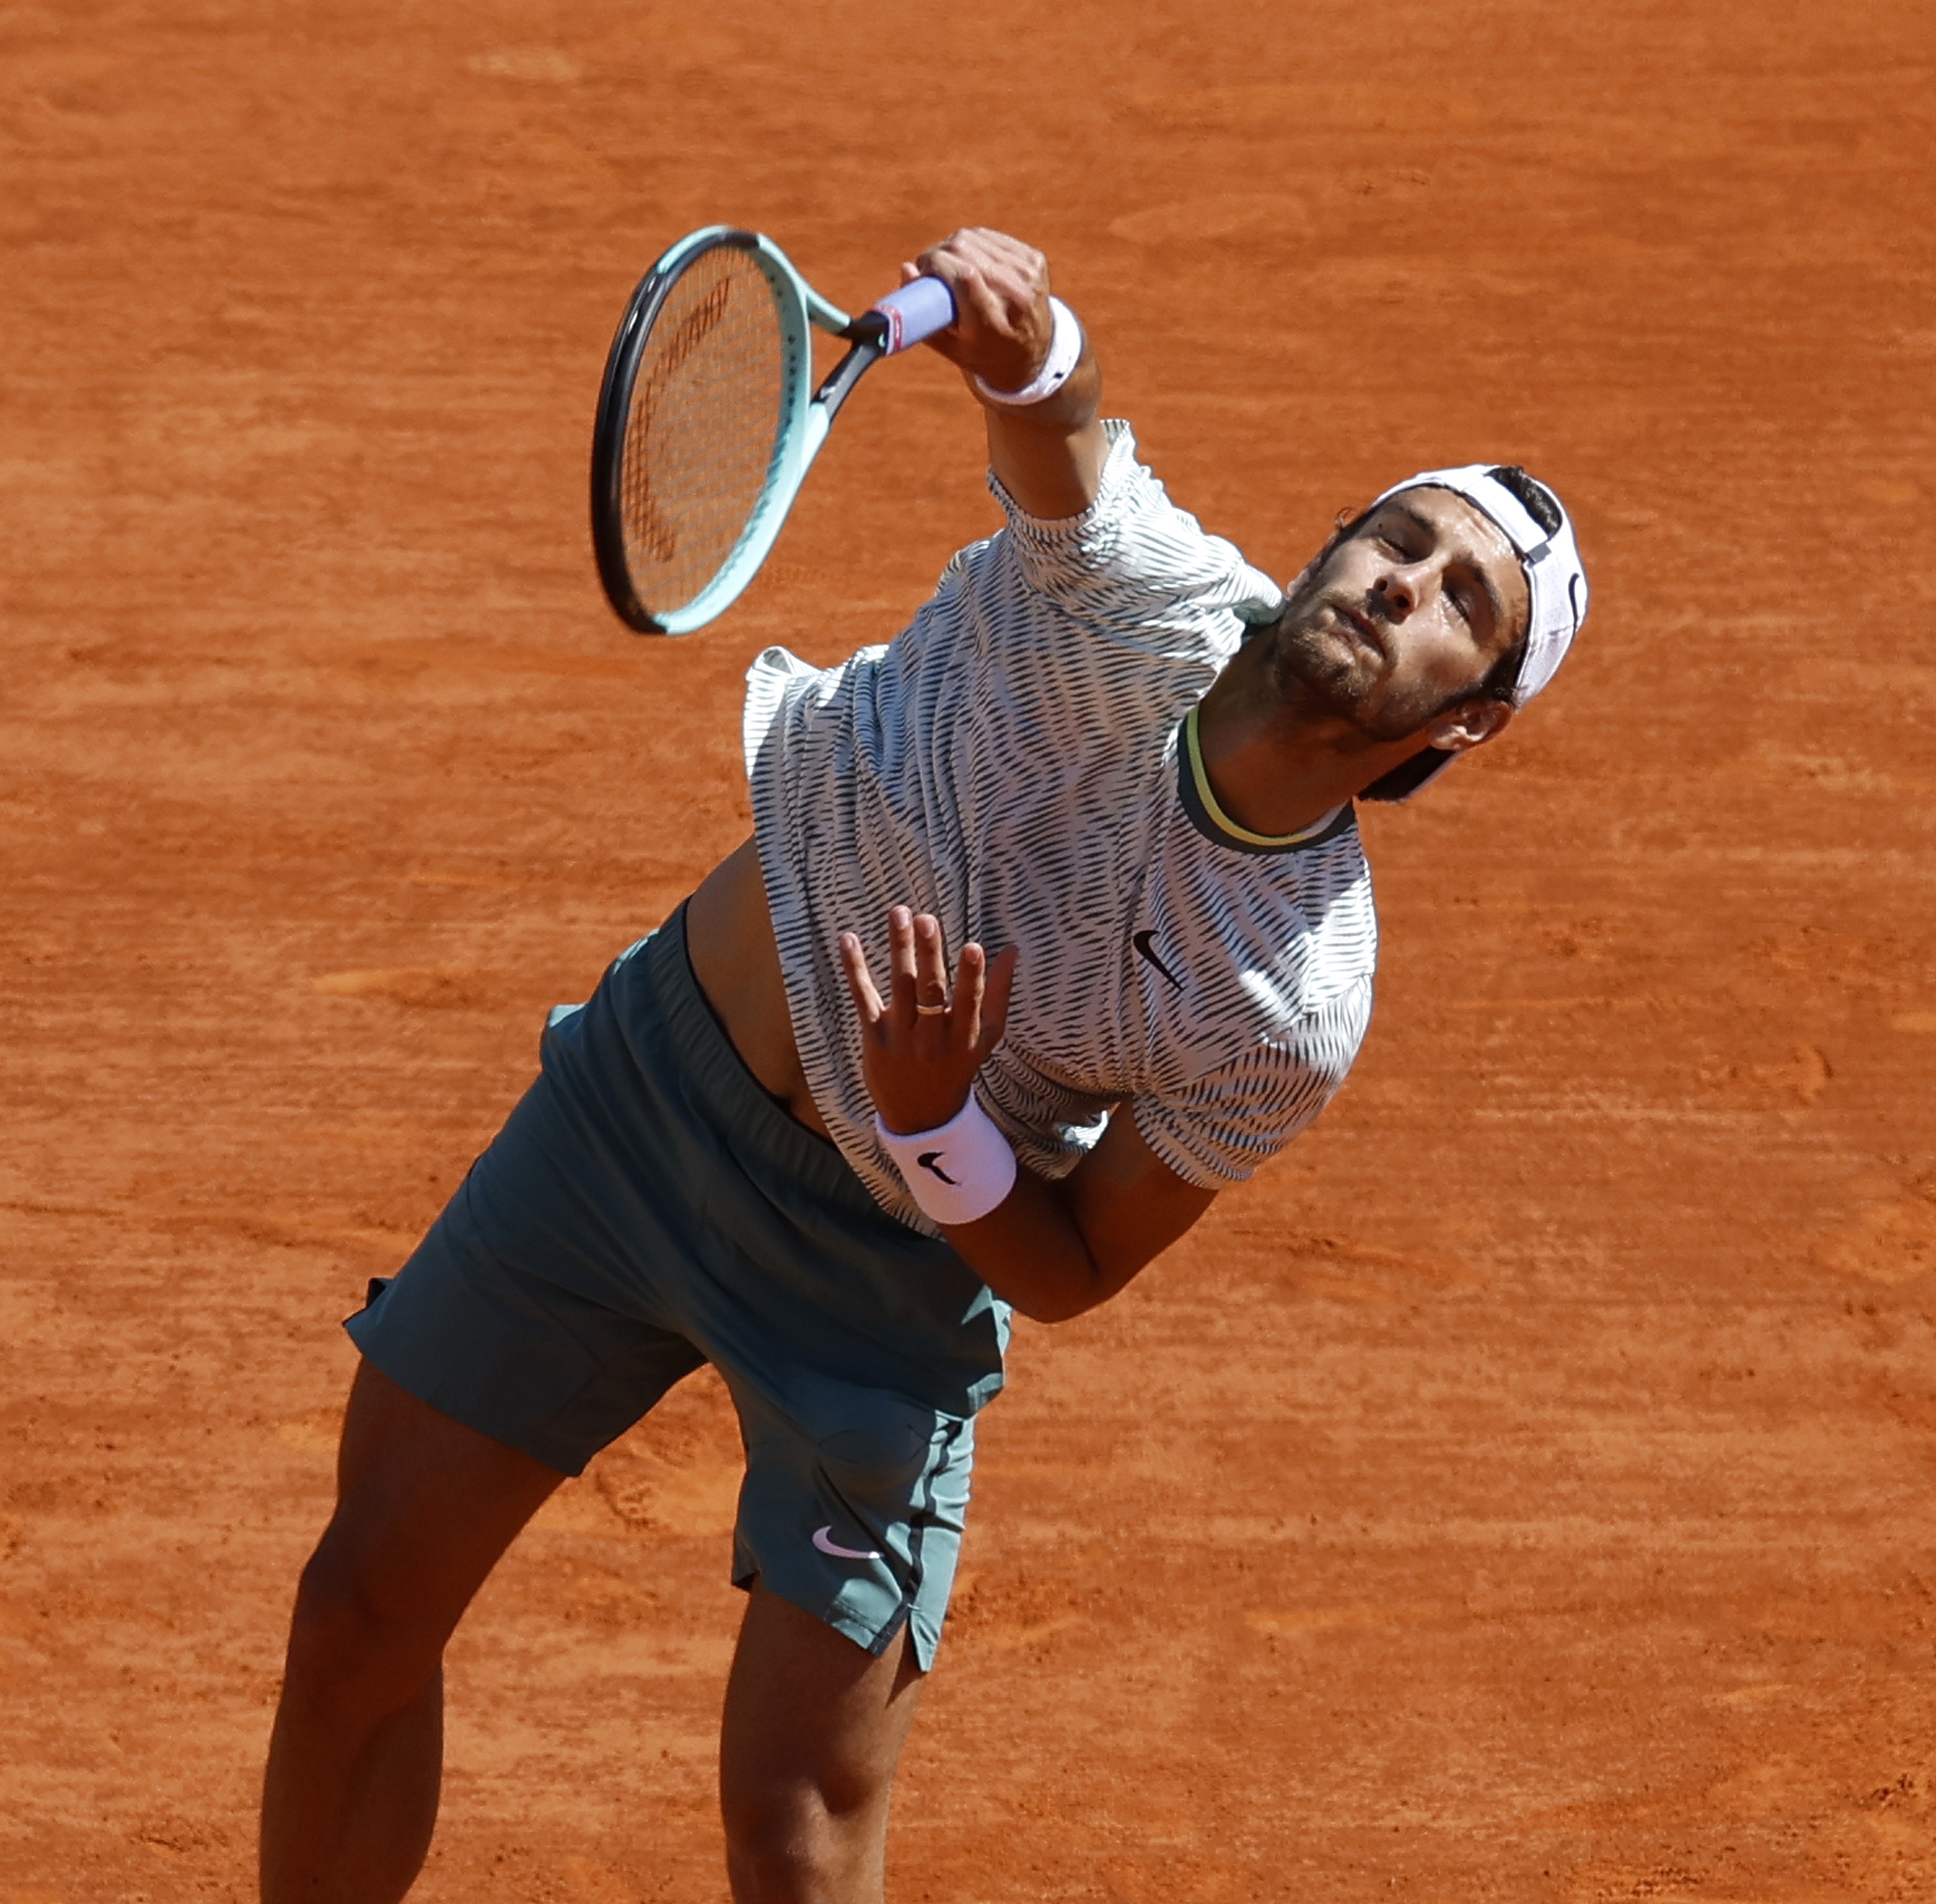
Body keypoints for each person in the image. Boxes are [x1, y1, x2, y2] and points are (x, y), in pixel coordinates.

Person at [257, 224, 1587, 1903]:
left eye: (1462, 598)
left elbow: (1081, 1259)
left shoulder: (1291, 996)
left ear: (1467, 719)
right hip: (641, 1110)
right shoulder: (1140, 594)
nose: (1405, 583)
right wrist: (1029, 347)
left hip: (883, 1271)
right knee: (359, 1610)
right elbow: (1062, 430)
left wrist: (936, 1121)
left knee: (800, 1834)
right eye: (1397, 539)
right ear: (1331, 543)